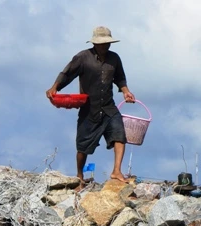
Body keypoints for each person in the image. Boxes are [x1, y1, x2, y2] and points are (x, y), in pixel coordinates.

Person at [46, 26, 135, 188]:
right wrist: (55, 88)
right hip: (89, 109)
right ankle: (79, 176)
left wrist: (126, 92)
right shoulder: (83, 57)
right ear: (94, 43)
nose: (104, 46)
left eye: (107, 43)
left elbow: (120, 78)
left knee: (119, 135)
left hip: (109, 107)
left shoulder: (114, 59)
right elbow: (67, 73)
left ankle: (116, 171)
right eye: (101, 43)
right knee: (83, 146)